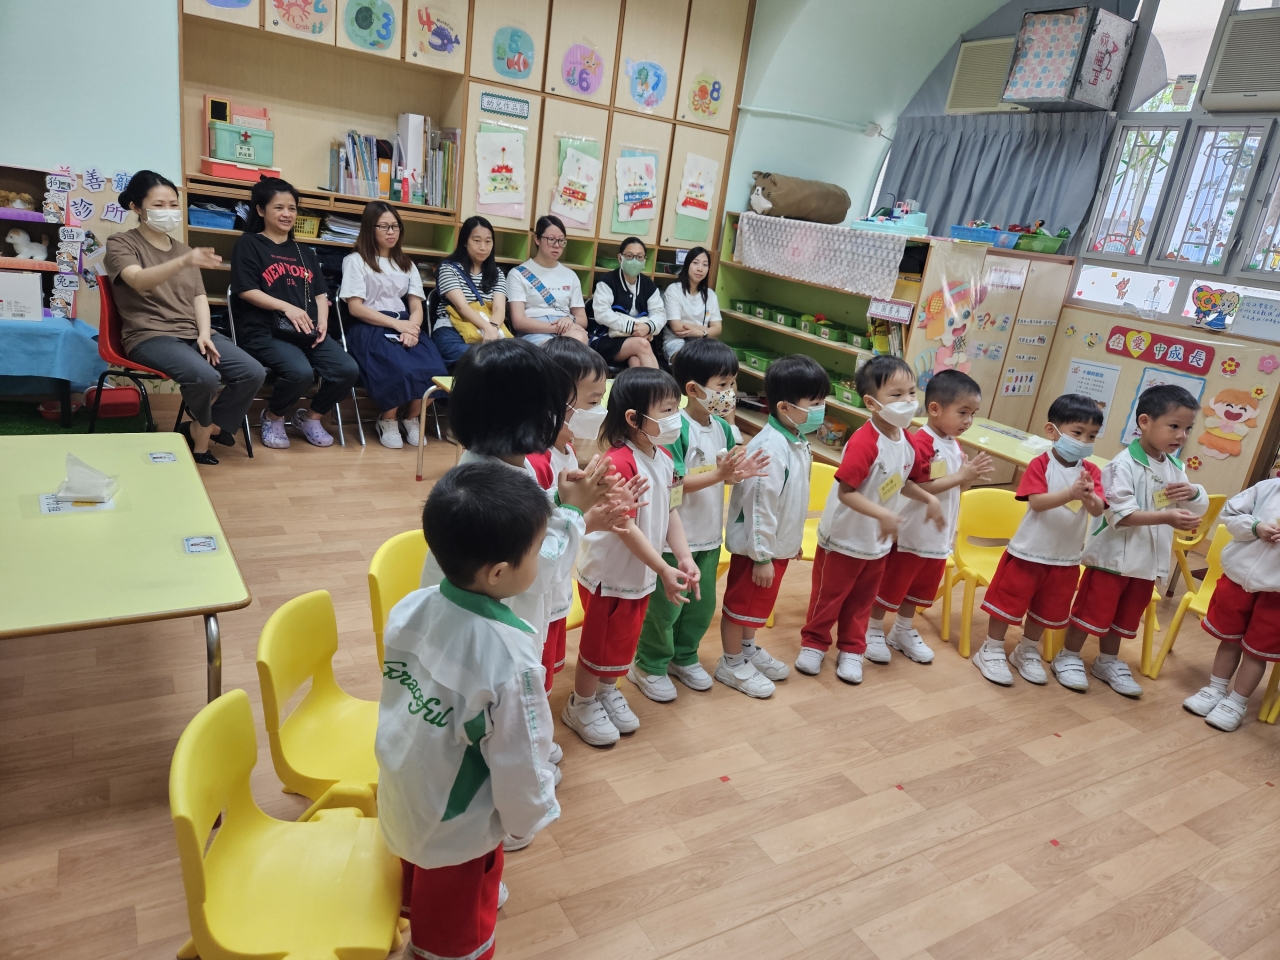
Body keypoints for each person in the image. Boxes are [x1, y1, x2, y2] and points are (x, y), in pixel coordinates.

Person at [416, 340, 628, 802]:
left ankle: (525, 754)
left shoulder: (499, 465)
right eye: (559, 408)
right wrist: (575, 514)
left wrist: (562, 503)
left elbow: (529, 524)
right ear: (531, 417)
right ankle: (513, 780)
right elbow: (538, 565)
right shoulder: (493, 485)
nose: (566, 418)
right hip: (490, 635)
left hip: (485, 623)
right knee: (499, 713)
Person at [376, 461, 559, 960]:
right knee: (454, 935)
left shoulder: (411, 606)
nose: (540, 559)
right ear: (499, 572)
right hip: (457, 824)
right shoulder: (511, 661)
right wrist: (528, 818)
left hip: (403, 784)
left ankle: (418, 922)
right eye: (538, 551)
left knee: (417, 872)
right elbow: (521, 758)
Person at [629, 339, 769, 702]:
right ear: (693, 389)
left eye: (733, 383)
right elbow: (674, 484)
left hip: (708, 535)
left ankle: (685, 656)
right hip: (674, 538)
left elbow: (722, 475)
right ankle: (649, 664)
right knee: (665, 610)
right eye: (722, 385)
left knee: (700, 606)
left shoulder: (722, 427)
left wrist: (735, 474)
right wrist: (720, 474)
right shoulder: (676, 429)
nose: (730, 392)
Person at [565, 368, 698, 745]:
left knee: (622, 639)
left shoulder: (664, 456)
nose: (675, 418)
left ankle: (607, 691)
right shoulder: (618, 462)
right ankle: (581, 702)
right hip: (609, 576)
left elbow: (671, 510)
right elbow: (622, 525)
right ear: (634, 419)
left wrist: (683, 557)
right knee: (597, 644)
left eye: (676, 408)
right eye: (667, 410)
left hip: (641, 573)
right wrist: (662, 567)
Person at [798, 356, 943, 684]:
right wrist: (885, 515)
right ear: (871, 403)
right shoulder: (865, 441)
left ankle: (852, 648)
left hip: (877, 543)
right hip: (843, 538)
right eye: (896, 394)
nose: (908, 401)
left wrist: (930, 498)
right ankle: (814, 642)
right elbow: (847, 492)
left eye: (911, 392)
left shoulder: (907, 441)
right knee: (829, 597)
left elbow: (902, 482)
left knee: (862, 599)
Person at [1057, 385, 1208, 697]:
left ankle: (1107, 661)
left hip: (1146, 562)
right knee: (1091, 612)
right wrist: (1168, 518)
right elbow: (1121, 515)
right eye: (1174, 426)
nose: (1181, 436)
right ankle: (1068, 655)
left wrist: (1194, 494)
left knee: (1124, 617)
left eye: (1188, 429)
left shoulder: (1175, 467)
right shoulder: (1121, 465)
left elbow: (1195, 508)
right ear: (1144, 422)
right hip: (1112, 559)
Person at [104, 170, 265, 465]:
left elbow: (198, 297)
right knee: (205, 376)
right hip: (149, 335)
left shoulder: (183, 250)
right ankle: (202, 433)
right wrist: (183, 261)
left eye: (173, 204)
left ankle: (202, 426)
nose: (168, 211)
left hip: (191, 332)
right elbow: (138, 280)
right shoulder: (122, 243)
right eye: (158, 205)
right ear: (136, 207)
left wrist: (204, 333)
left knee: (252, 372)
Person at [973, 394, 1106, 686]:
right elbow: (1037, 502)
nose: (1084, 441)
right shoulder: (1040, 464)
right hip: (1028, 552)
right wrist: (1071, 494)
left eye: (1092, 436)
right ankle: (991, 648)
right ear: (1052, 431)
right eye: (1077, 433)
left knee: (1047, 608)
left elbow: (1098, 510)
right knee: (1008, 602)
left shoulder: (1092, 472)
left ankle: (1027, 649)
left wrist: (1089, 497)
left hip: (1065, 558)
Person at [721, 355, 830, 697]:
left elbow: (790, 500)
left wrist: (790, 541)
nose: (821, 409)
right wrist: (763, 556)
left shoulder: (795, 438)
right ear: (784, 407)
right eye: (814, 403)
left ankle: (747, 649)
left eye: (823, 401)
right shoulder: (770, 448)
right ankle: (731, 662)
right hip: (757, 550)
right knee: (739, 608)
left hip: (774, 546)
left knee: (755, 608)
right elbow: (759, 508)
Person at [868, 370, 993, 666]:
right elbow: (914, 486)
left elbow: (956, 488)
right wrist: (960, 476)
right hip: (911, 533)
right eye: (962, 412)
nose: (968, 421)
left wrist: (968, 477)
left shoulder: (953, 443)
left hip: (938, 536)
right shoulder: (920, 442)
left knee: (918, 588)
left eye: (973, 414)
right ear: (935, 409)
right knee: (891, 585)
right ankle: (871, 628)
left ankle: (902, 630)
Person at [230, 177, 359, 449]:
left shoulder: (305, 252)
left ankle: (311, 418)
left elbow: (321, 294)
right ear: (260, 210)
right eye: (279, 207)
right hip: (264, 331)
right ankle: (273, 416)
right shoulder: (249, 244)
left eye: (292, 208)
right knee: (300, 372)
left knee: (347, 370)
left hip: (306, 330)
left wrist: (322, 323)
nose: (287, 214)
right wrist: (287, 307)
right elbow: (245, 290)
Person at [528, 337, 612, 694]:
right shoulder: (534, 461)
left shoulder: (565, 447)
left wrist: (596, 498)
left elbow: (566, 514)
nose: (600, 410)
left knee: (547, 671)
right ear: (557, 400)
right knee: (534, 676)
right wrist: (589, 516)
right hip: (535, 591)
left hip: (556, 583)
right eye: (593, 402)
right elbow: (540, 537)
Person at [338, 201, 446, 449]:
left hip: (406, 323)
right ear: (370, 228)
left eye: (395, 226)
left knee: (437, 370)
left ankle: (411, 418)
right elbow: (355, 308)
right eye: (384, 226)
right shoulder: (355, 260)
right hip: (370, 325)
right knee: (398, 367)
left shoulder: (407, 263)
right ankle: (387, 419)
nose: (391, 232)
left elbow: (416, 306)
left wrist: (413, 328)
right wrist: (398, 326)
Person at [1182, 477, 1280, 731]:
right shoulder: (1267, 488)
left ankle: (1237, 702)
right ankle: (1215, 688)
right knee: (1230, 638)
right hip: (1238, 580)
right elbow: (1230, 514)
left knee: (1256, 650)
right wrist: (1256, 527)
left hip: (1275, 594)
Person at [433, 216, 509, 368]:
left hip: (490, 330)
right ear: (464, 242)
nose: (483, 247)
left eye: (488, 241)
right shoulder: (448, 268)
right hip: (451, 329)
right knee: (478, 360)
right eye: (477, 241)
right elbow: (462, 306)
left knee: (515, 359)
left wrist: (492, 330)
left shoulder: (497, 273)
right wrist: (487, 328)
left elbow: (499, 309)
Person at [506, 215, 589, 346]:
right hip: (534, 331)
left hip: (566, 327)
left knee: (579, 338)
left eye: (561, 240)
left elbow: (582, 318)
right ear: (537, 239)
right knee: (557, 349)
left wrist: (570, 320)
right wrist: (556, 328)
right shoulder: (518, 274)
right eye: (551, 239)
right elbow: (518, 322)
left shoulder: (571, 275)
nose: (557, 245)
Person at [589, 237, 663, 368]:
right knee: (642, 345)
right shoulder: (607, 281)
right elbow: (602, 314)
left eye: (639, 257)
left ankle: (642, 383)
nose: (635, 260)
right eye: (629, 256)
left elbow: (659, 314)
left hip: (639, 339)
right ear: (620, 258)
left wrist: (648, 327)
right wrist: (632, 328)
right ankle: (659, 382)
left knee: (636, 361)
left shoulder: (649, 285)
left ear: (644, 260)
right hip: (607, 339)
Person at [660, 246, 721, 363]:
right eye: (695, 263)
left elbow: (717, 329)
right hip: (676, 341)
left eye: (705, 265)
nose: (700, 269)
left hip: (702, 341)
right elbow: (676, 327)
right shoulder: (673, 290)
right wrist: (706, 330)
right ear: (687, 264)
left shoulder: (711, 295)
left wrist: (700, 333)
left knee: (722, 362)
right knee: (688, 361)